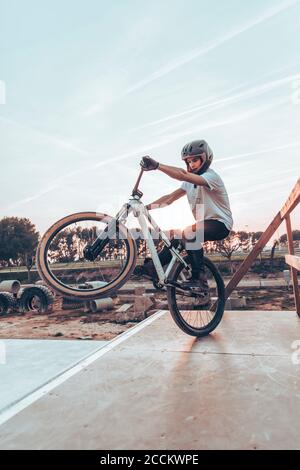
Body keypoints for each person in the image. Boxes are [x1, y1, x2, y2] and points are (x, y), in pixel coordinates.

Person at [133, 139, 233, 300]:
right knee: (176, 239)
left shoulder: (211, 177)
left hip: (220, 224)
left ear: (205, 158)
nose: (192, 164)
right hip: (202, 225)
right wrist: (147, 208)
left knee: (188, 232)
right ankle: (153, 266)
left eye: (195, 160)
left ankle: (200, 278)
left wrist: (158, 166)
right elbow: (169, 198)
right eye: (189, 161)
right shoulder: (189, 183)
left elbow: (182, 175)